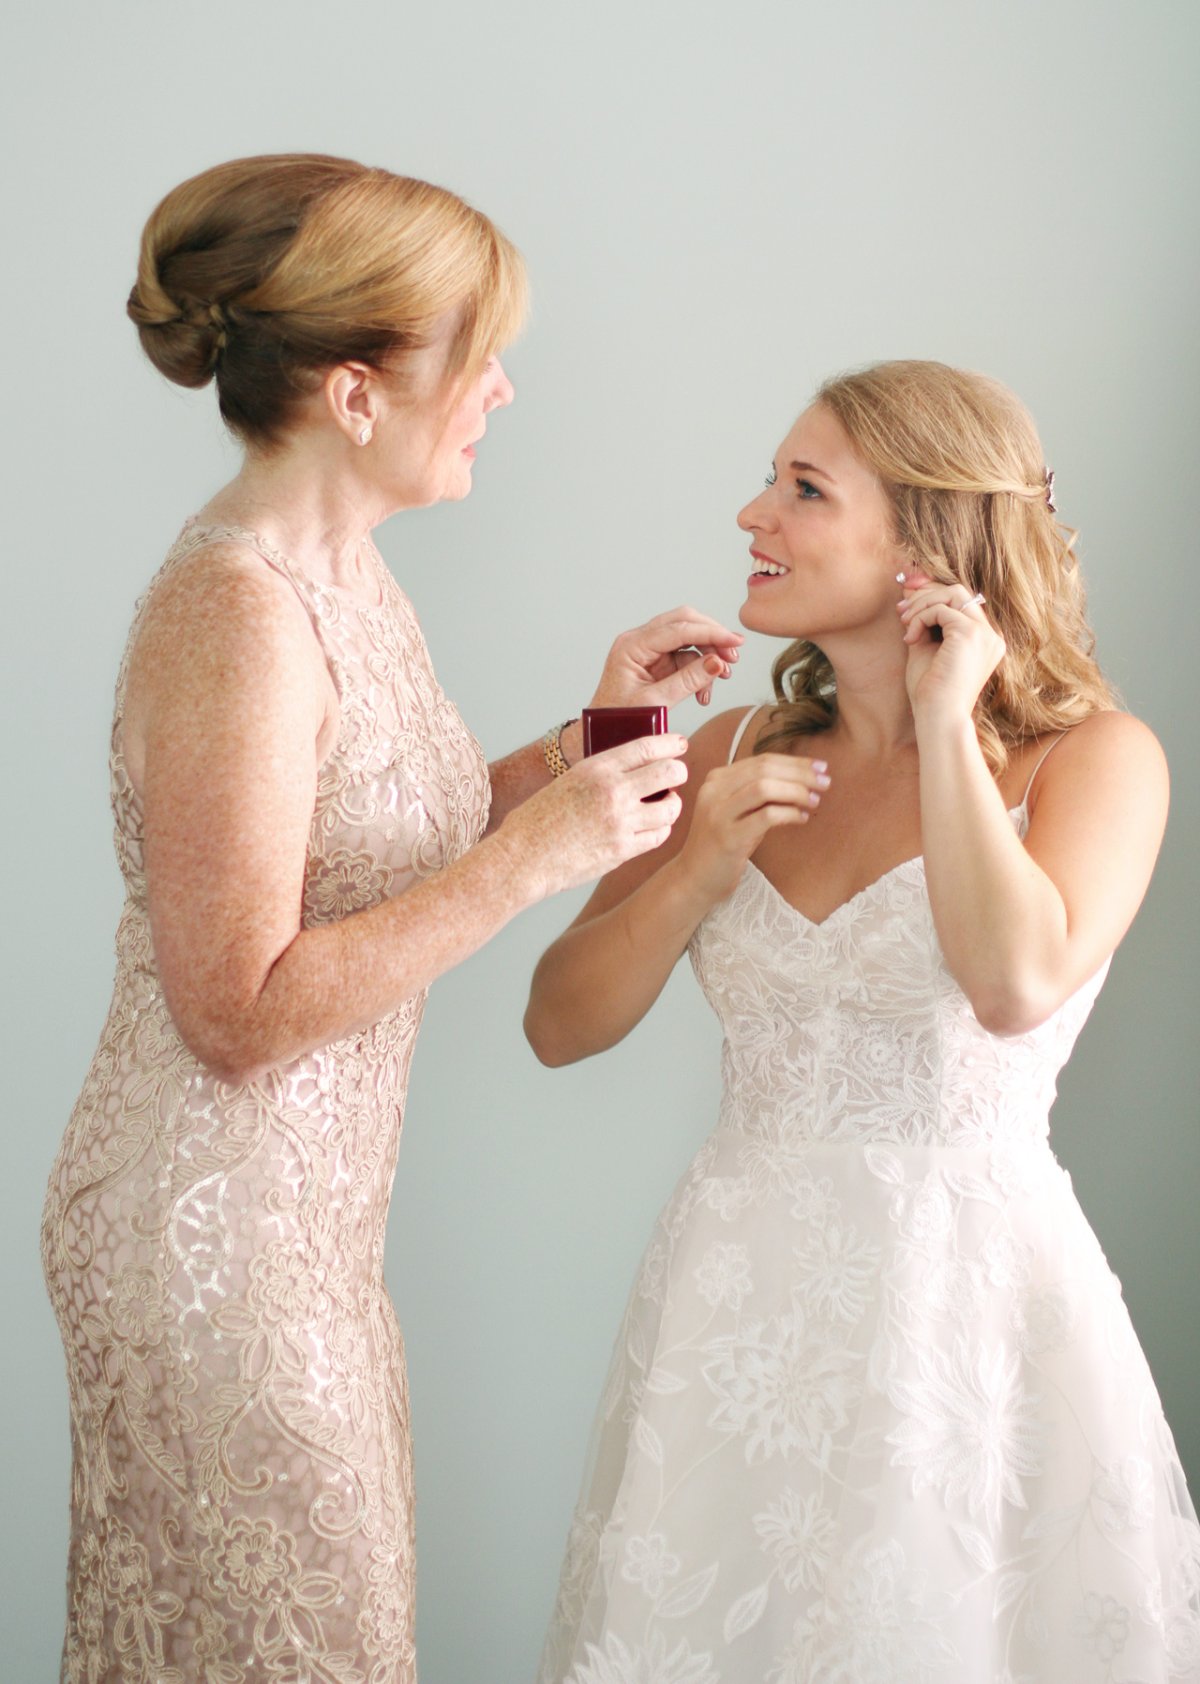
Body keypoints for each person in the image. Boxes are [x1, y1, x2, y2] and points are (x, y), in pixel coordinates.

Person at [39, 153, 741, 1684]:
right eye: (474, 358)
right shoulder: (236, 613)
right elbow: (234, 1011)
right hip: (209, 1238)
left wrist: (592, 737)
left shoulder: (343, 572)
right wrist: (533, 863)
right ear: (354, 395)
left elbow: (384, 838)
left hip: (304, 1231)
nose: (503, 391)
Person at [527, 361, 1200, 1683]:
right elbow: (559, 1021)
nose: (752, 515)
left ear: (924, 540)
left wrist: (946, 725)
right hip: (736, 1302)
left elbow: (1015, 985)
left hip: (968, 1306)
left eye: (803, 488)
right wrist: (695, 865)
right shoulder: (727, 751)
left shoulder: (1098, 759)